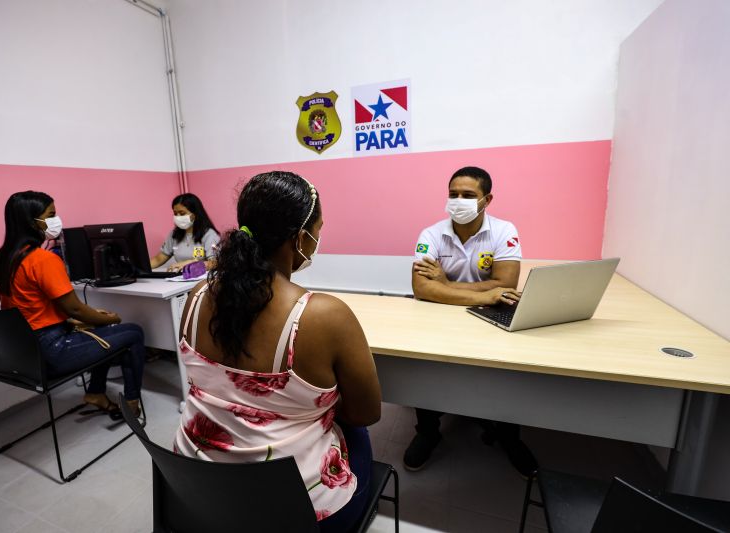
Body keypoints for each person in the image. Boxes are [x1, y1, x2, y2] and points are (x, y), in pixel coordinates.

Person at [172, 171, 382, 531]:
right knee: (355, 432)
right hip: (292, 511)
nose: (317, 238)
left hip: (198, 487)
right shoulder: (323, 315)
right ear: (300, 238)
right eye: (318, 229)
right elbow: (365, 413)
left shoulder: (196, 297)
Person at [404, 166, 538, 477]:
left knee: (505, 371)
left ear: (487, 199)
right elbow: (421, 288)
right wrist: (485, 292)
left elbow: (505, 284)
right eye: (453, 195)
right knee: (425, 368)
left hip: (488, 318)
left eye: (468, 195)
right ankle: (428, 430)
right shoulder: (431, 234)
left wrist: (446, 284)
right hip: (436, 318)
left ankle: (508, 437)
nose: (458, 201)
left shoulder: (504, 230)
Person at [0, 191, 146, 417]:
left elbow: (31, 308)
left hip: (23, 354)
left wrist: (90, 318)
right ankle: (131, 406)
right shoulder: (43, 259)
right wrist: (109, 318)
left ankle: (96, 393)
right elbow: (74, 308)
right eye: (51, 214)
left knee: (102, 330)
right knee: (133, 333)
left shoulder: (4, 259)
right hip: (53, 351)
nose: (57, 220)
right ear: (31, 220)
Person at [149, 193, 220, 272]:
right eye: (175, 214)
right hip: (181, 278)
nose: (178, 217)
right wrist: (138, 268)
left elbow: (214, 263)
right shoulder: (174, 235)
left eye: (182, 213)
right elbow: (159, 259)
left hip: (203, 278)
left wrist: (191, 264)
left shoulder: (209, 235)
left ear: (195, 214)